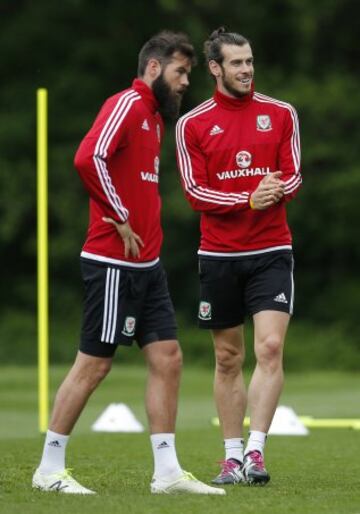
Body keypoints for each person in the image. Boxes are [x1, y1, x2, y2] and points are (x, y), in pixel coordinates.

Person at [32, 31, 225, 497]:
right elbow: (88, 157)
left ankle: (167, 474)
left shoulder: (156, 120)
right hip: (112, 263)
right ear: (154, 68)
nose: (184, 83)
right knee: (95, 365)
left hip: (147, 266)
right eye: (180, 72)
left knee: (168, 358)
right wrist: (118, 216)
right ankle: (48, 468)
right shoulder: (127, 104)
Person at [176, 27, 301, 485]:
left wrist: (277, 189)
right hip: (219, 254)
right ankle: (230, 457)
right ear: (215, 68)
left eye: (249, 61)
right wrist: (246, 199)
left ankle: (255, 452)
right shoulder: (192, 124)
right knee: (228, 358)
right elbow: (193, 192)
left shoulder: (281, 113)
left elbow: (294, 175)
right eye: (236, 63)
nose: (246, 69)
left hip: (272, 249)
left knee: (269, 347)